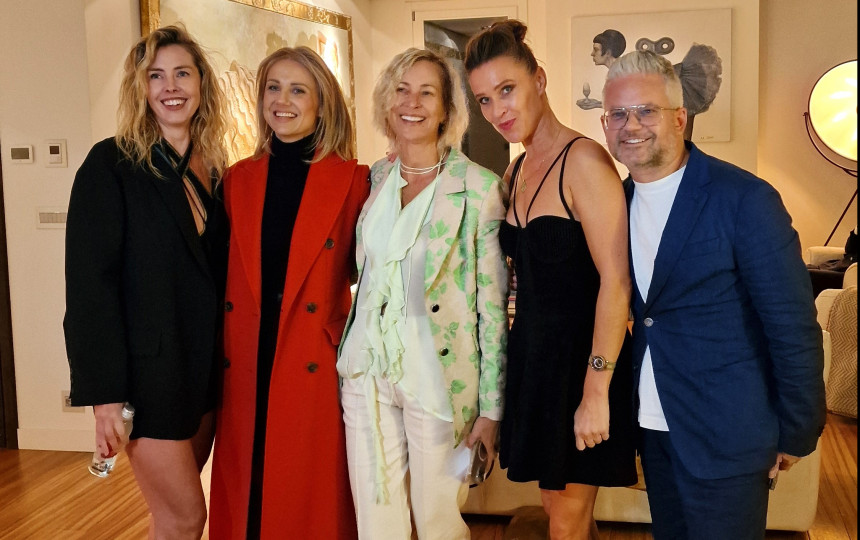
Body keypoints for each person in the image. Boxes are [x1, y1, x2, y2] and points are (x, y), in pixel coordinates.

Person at [600, 50, 826, 540]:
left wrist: (797, 430)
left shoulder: (744, 198)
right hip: (653, 428)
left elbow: (792, 325)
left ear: (679, 118)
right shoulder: (614, 202)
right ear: (604, 125)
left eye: (646, 111)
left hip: (730, 433)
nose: (630, 125)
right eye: (617, 114)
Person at [466, 20, 637, 540]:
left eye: (507, 89)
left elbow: (617, 283)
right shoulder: (517, 169)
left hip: (580, 365)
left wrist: (596, 389)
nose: (498, 110)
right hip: (534, 362)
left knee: (565, 519)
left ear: (538, 79)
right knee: (558, 510)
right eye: (484, 100)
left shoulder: (583, 160)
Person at [64, 25, 229, 539]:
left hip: (204, 375)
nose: (170, 87)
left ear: (201, 83)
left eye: (182, 73)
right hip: (147, 380)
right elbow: (90, 289)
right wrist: (105, 398)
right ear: (140, 88)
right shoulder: (110, 164)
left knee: (167, 519)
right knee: (186, 517)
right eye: (155, 76)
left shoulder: (216, 168)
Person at [336, 47, 508, 540]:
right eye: (401, 89)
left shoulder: (478, 189)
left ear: (447, 109)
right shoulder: (376, 177)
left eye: (426, 92)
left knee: (438, 523)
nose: (411, 103)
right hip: (367, 372)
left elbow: (492, 309)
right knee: (376, 522)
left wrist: (491, 409)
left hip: (439, 377)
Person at [206, 47, 369, 539]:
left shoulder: (355, 180)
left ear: (323, 103)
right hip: (245, 356)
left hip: (311, 355)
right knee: (247, 490)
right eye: (273, 88)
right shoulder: (237, 179)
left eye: (298, 90)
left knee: (305, 494)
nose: (282, 101)